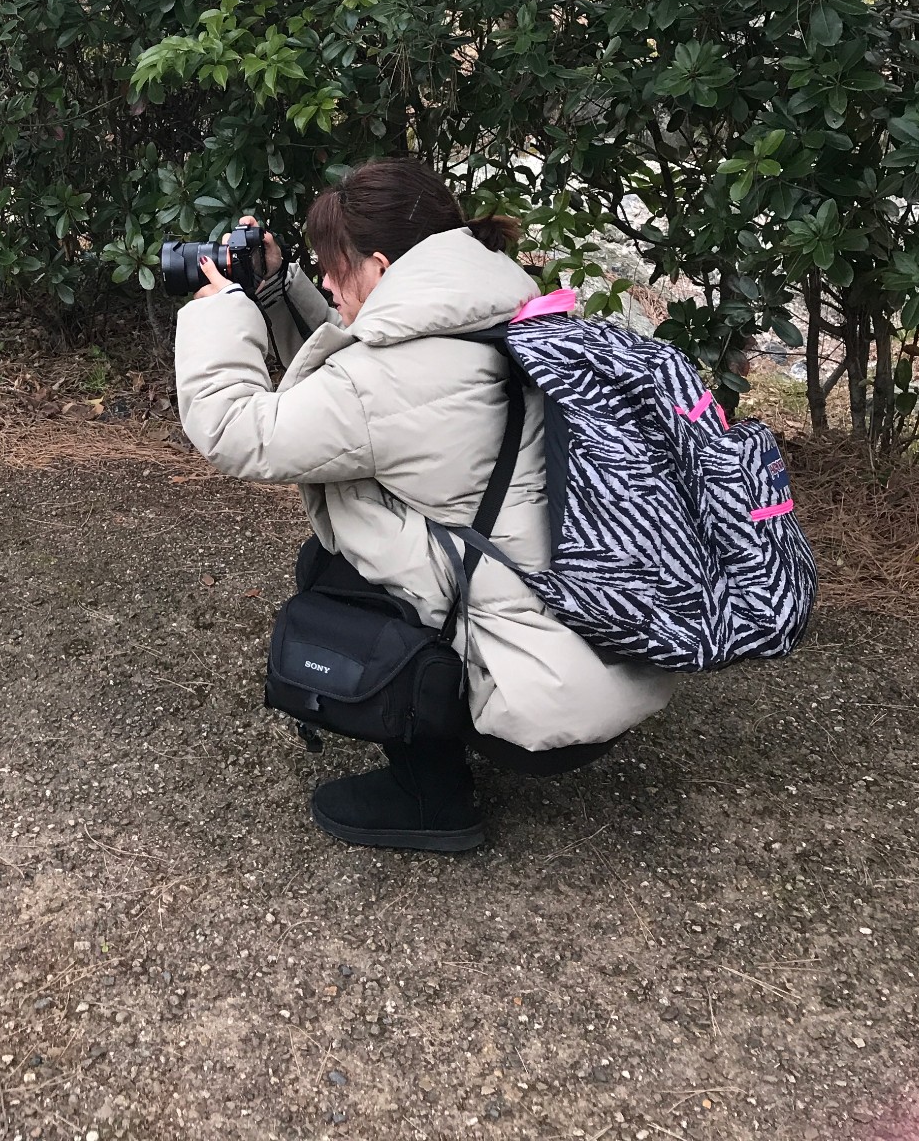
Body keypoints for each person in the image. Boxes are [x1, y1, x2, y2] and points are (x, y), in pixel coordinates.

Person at [174, 158, 674, 850]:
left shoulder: (394, 378)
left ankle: (429, 793)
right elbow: (358, 368)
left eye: (331, 266)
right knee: (356, 549)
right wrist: (277, 286)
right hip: (605, 651)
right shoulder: (499, 311)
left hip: (545, 707)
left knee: (330, 574)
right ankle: (448, 723)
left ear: (379, 267)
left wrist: (219, 312)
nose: (324, 279)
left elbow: (237, 432)